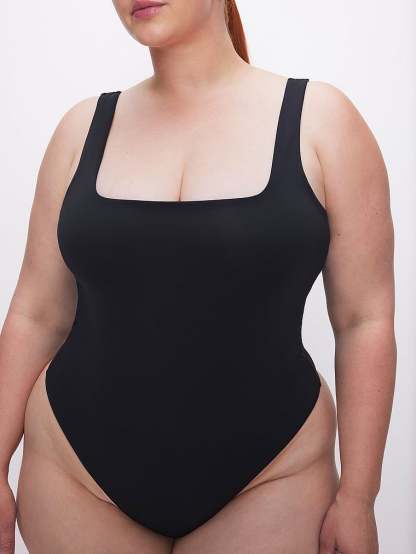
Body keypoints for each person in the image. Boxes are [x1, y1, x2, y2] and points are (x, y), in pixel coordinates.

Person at [0, 0, 396, 553]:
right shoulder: (80, 129)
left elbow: (363, 320)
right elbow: (36, 313)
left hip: (272, 476)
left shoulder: (322, 121)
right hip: (76, 475)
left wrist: (359, 497)